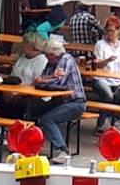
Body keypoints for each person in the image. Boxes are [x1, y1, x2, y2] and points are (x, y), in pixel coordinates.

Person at [32, 35, 86, 164]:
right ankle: (30, 146)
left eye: (47, 54)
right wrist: (48, 78)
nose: (45, 57)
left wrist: (43, 80)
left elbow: (57, 83)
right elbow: (39, 80)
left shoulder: (66, 60)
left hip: (75, 103)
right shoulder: (52, 63)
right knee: (33, 112)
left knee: (47, 119)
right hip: (60, 101)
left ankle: (63, 151)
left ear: (53, 53)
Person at [90, 15, 120, 104]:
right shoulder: (100, 44)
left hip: (119, 81)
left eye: (112, 31)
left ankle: (115, 115)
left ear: (118, 31)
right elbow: (96, 65)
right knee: (109, 96)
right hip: (102, 80)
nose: (109, 33)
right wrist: (107, 60)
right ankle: (103, 117)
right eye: (108, 30)